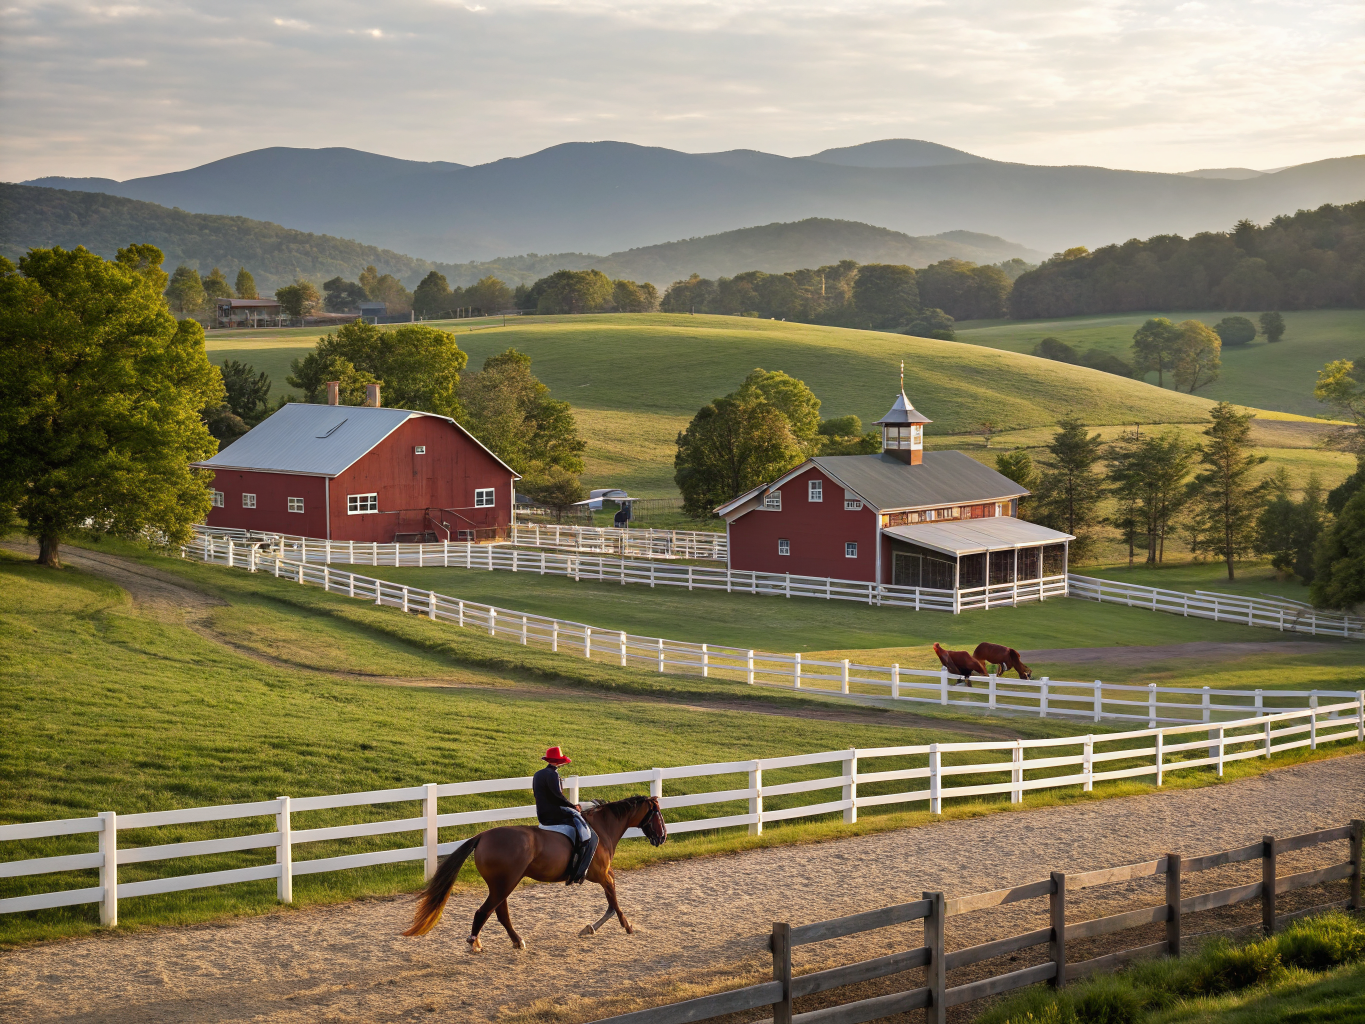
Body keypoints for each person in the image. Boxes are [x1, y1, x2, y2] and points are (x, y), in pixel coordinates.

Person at [532, 746, 598, 885]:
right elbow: (558, 796)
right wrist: (572, 807)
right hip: (555, 813)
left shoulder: (538, 774)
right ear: (558, 761)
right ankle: (579, 870)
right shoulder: (553, 775)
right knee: (586, 833)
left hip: (542, 813)